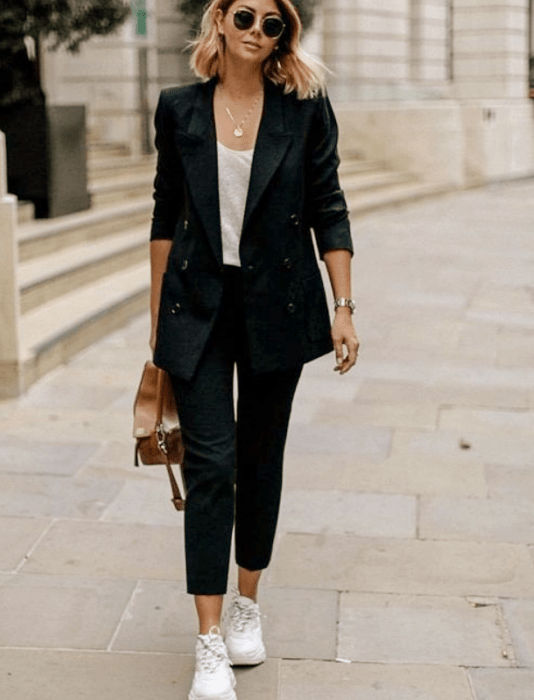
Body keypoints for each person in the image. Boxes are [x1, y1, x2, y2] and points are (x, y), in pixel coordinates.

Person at [149, 0, 358, 697]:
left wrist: (344, 308)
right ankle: (208, 640)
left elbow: (328, 204)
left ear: (284, 37)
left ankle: (246, 604)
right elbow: (162, 216)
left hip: (280, 307)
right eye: (246, 17)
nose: (256, 33)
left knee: (260, 458)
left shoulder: (303, 108)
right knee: (210, 465)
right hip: (197, 310)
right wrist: (157, 331)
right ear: (219, 18)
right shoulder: (179, 108)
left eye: (273, 24)